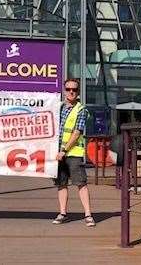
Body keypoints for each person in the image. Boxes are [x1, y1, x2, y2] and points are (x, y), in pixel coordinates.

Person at [52, 78, 95, 227]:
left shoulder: (81, 110)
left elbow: (76, 133)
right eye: (68, 89)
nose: (71, 92)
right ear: (64, 91)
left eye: (74, 90)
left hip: (73, 153)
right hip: (58, 153)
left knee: (81, 183)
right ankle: (63, 213)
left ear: (78, 93)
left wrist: (64, 150)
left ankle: (88, 214)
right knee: (61, 183)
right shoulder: (58, 108)